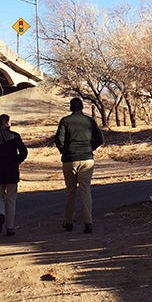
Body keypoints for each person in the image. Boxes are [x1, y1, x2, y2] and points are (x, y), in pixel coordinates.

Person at [54, 97, 104, 234]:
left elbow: (59, 140)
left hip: (69, 159)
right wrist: (89, 149)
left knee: (70, 191)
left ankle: (68, 222)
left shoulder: (65, 121)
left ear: (71, 108)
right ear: (82, 107)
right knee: (85, 190)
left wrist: (65, 151)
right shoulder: (90, 121)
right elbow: (100, 139)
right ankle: (88, 223)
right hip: (87, 159)